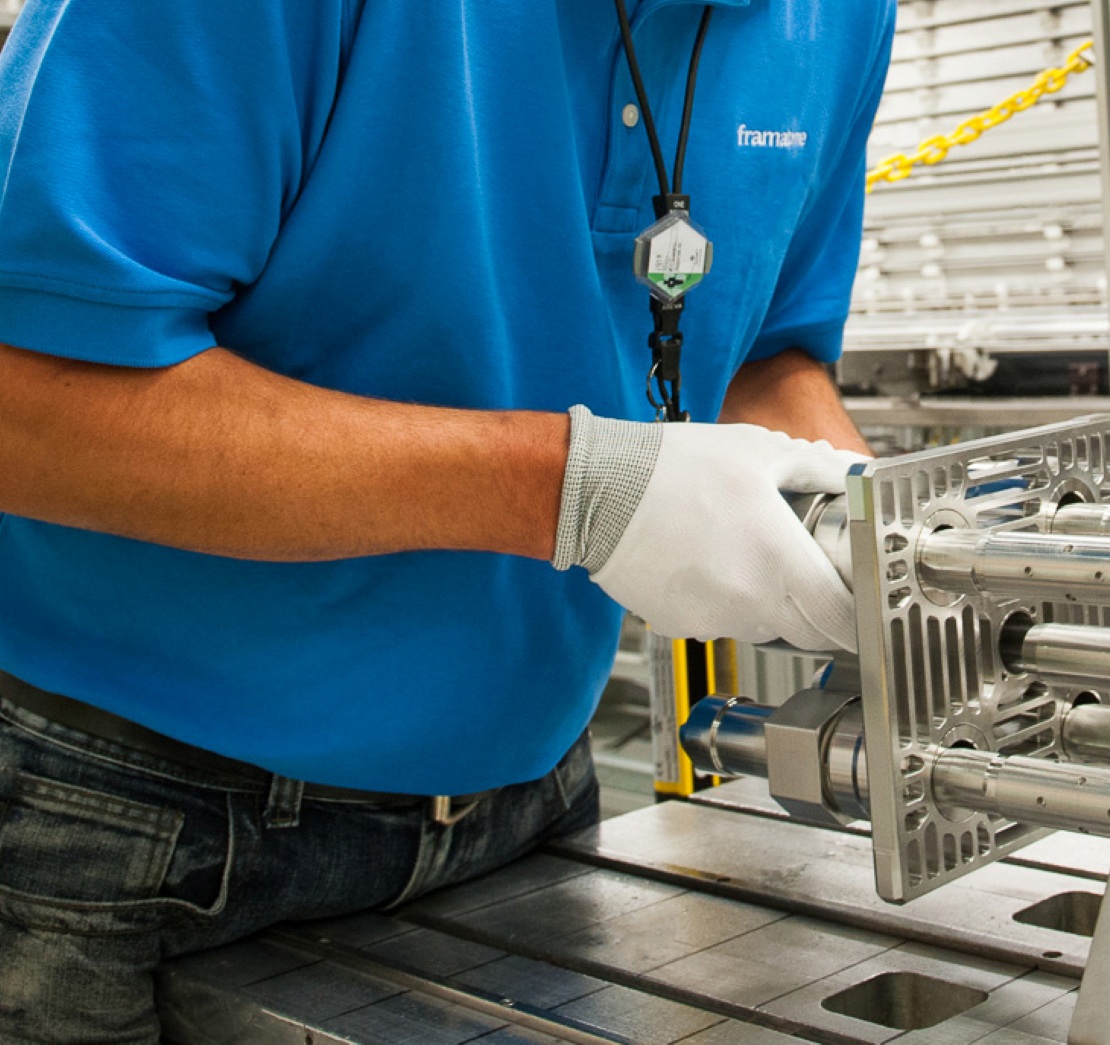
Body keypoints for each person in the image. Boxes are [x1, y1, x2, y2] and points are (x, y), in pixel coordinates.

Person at [0, 0, 895, 1040]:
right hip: (119, 815)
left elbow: (764, 358)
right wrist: (570, 488)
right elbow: (29, 403)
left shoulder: (838, 18)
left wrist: (888, 538)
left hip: (528, 802)